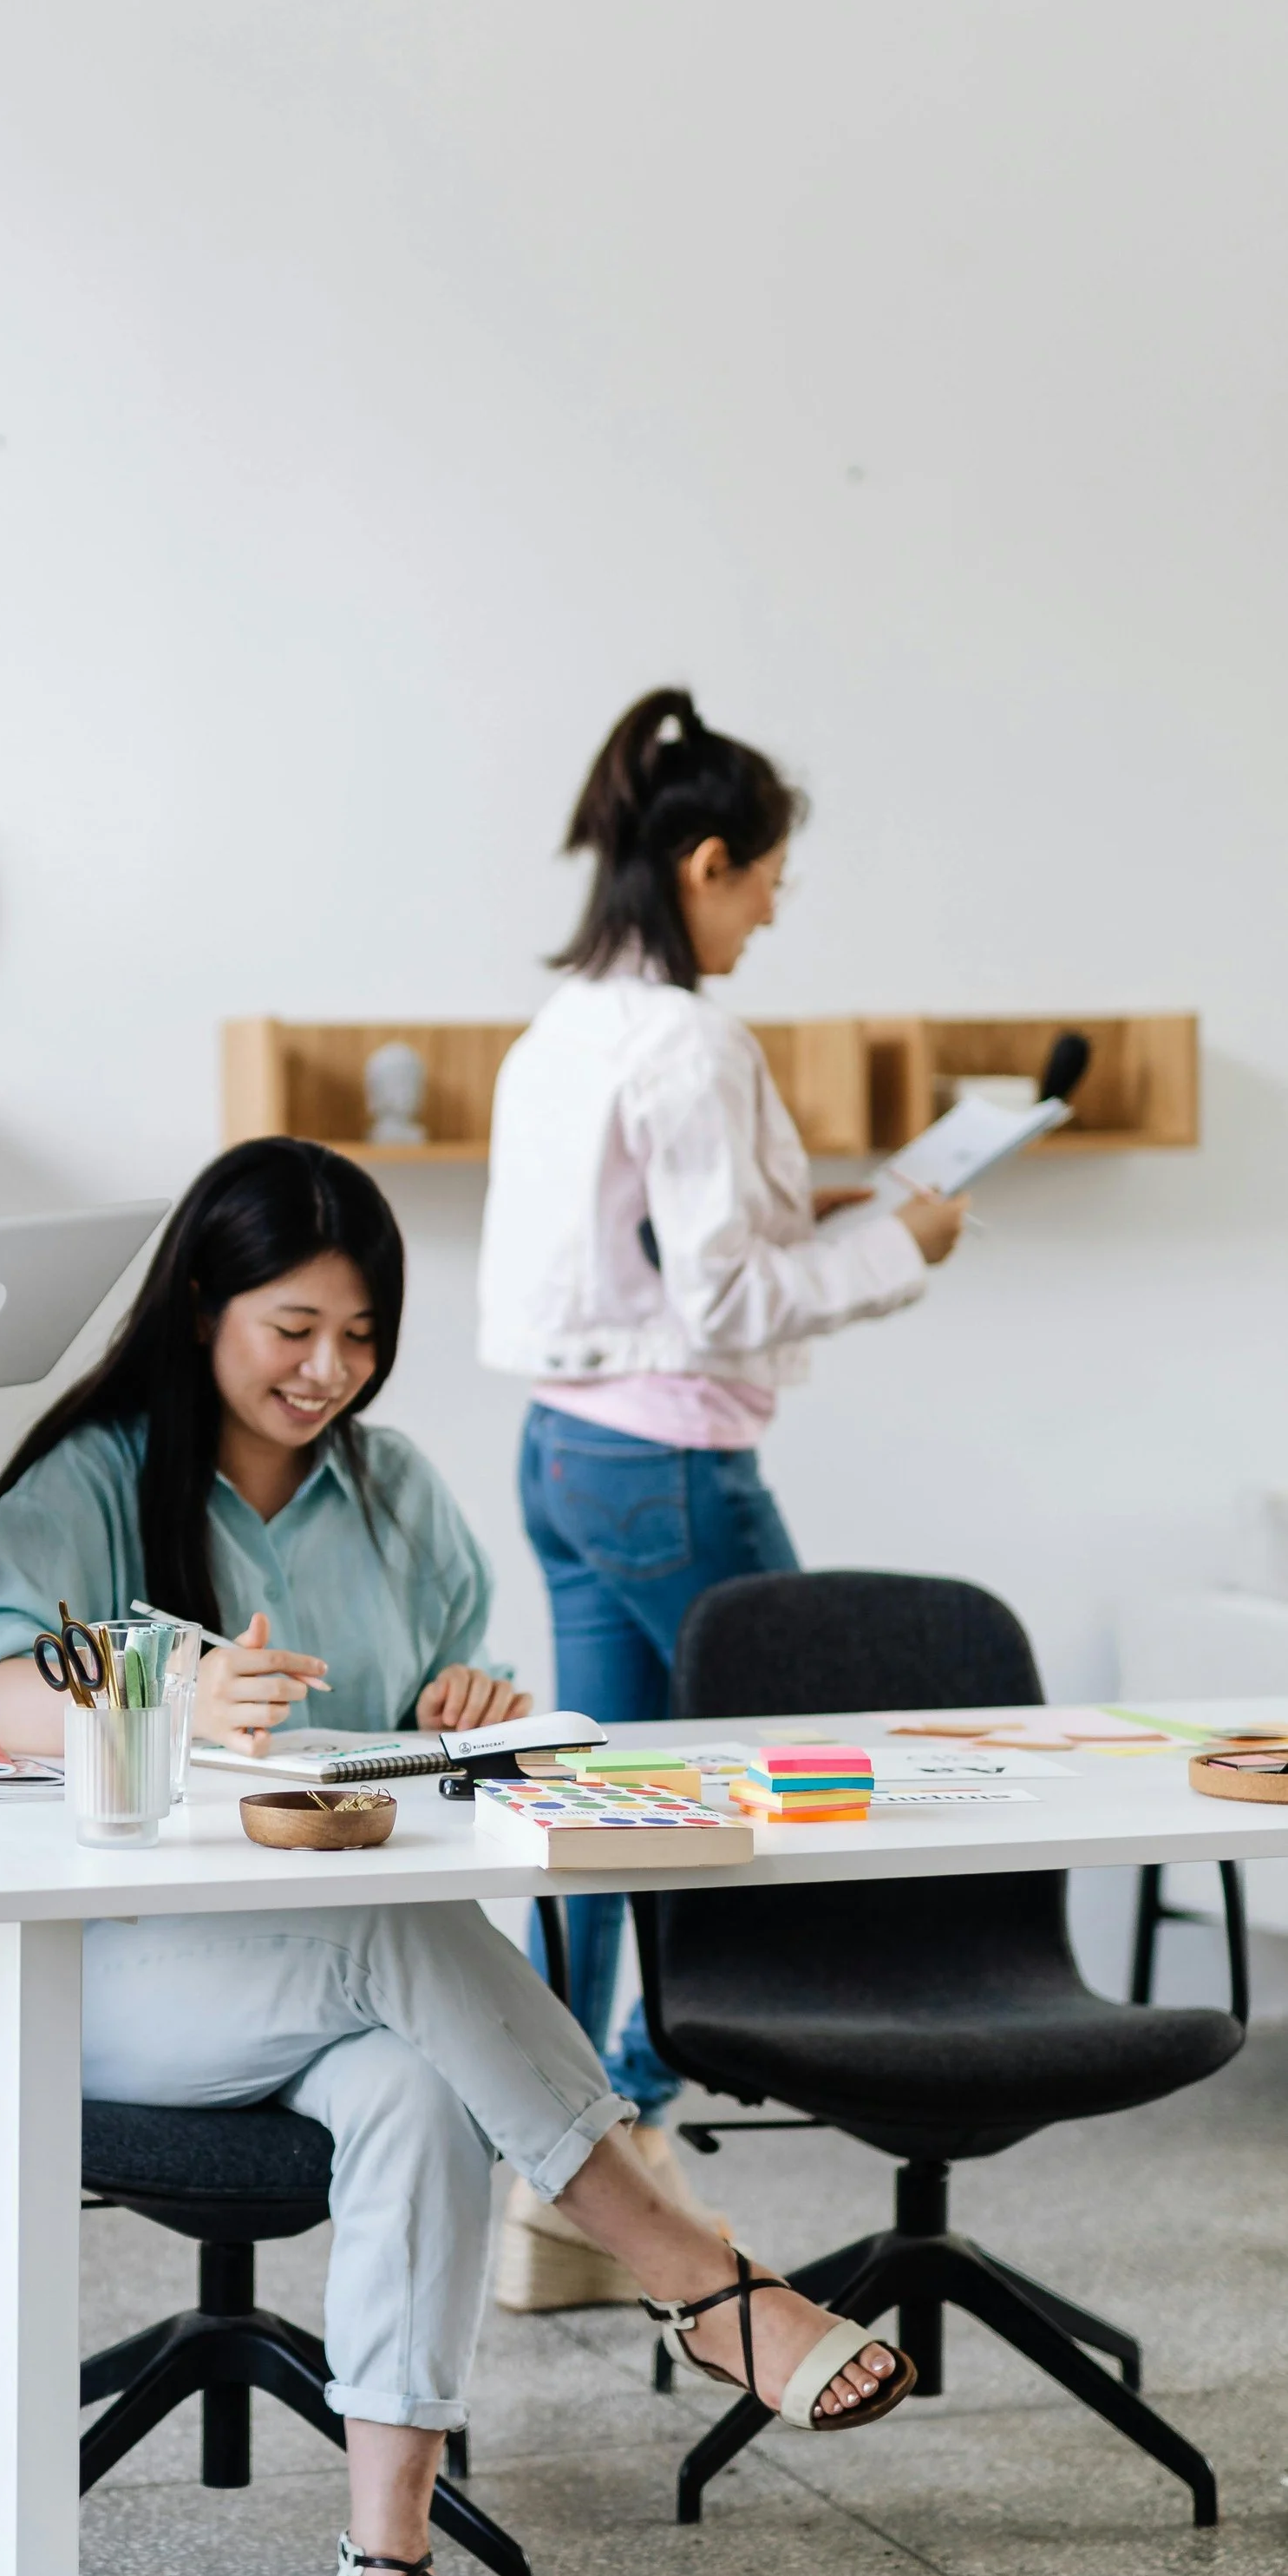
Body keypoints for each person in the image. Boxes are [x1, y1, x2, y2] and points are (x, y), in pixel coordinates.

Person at [0, 1137, 914, 2576]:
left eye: (361, 1335)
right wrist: (164, 1691)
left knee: (415, 2080)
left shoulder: (396, 1497)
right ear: (201, 1305)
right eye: (292, 1327)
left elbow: (435, 1739)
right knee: (389, 1931)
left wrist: (472, 1709)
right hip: (104, 1983)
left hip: (326, 1982)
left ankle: (384, 2568)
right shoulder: (93, 1479)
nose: (328, 1369)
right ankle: (696, 2273)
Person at [476, 687, 968, 2311]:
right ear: (703, 865)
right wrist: (900, 1248)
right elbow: (723, 1299)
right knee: (826, 1774)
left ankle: (566, 2167)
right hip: (673, 1467)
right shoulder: (693, 1040)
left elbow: (648, 1254)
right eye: (765, 881)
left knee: (599, 1822)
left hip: (567, 1454)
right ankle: (641, 2110)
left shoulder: (566, 1026)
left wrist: (829, 1205)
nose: (768, 911)